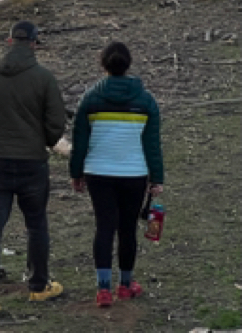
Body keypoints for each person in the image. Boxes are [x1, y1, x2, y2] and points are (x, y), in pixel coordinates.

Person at [0, 20, 67, 316]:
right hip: (32, 163)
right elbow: (56, 122)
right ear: (34, 43)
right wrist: (46, 142)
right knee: (36, 224)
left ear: (9, 41)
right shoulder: (43, 77)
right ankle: (38, 286)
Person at [69, 41, 164, 308]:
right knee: (127, 229)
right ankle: (125, 284)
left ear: (103, 65)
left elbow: (80, 141)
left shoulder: (90, 98)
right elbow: (152, 144)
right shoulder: (145, 101)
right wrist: (157, 178)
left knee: (104, 227)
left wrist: (76, 173)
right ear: (128, 64)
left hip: (98, 172)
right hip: (134, 173)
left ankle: (102, 290)